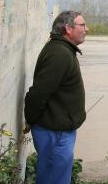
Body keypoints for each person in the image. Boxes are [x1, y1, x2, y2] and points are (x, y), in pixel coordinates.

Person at [24, 11, 88, 184]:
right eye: (82, 25)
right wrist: (31, 119)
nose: (86, 29)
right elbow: (38, 93)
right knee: (54, 178)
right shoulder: (60, 54)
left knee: (54, 176)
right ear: (68, 28)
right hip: (54, 133)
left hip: (57, 131)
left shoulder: (62, 49)